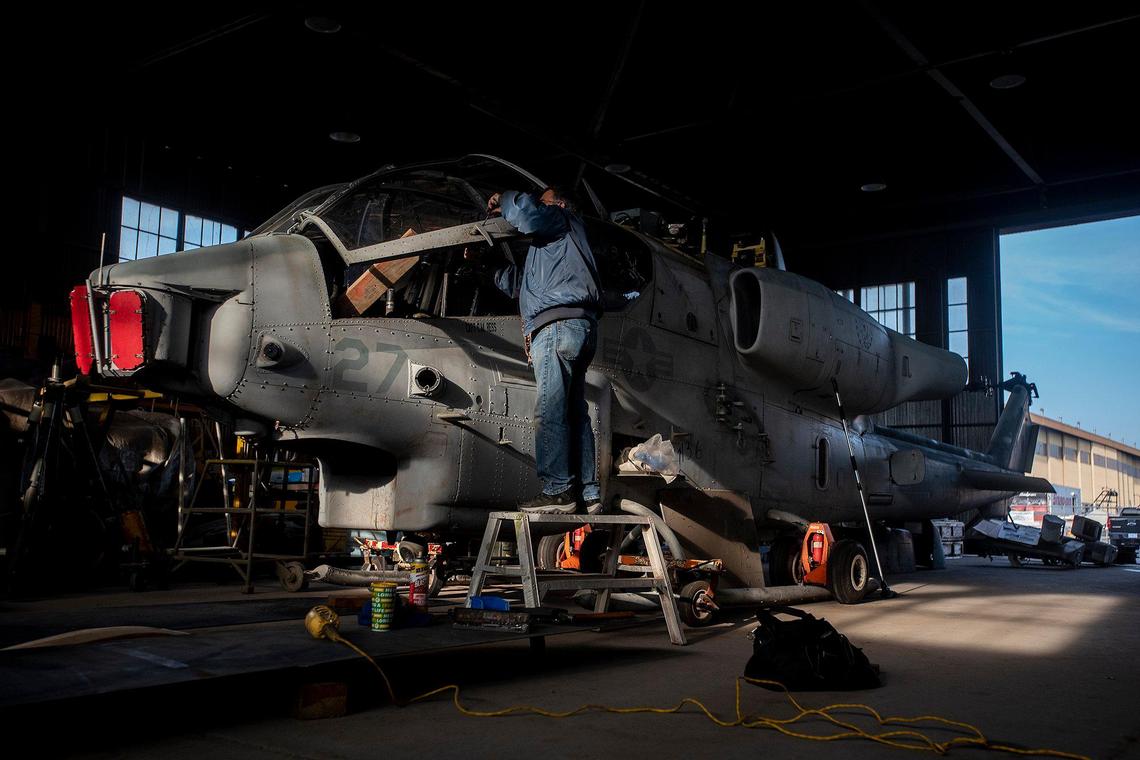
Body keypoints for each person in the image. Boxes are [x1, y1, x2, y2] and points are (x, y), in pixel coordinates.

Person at [485, 187, 602, 514]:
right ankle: (589, 492)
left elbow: (526, 214)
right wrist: (489, 263)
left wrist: (504, 197)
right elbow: (519, 286)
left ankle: (557, 490)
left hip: (557, 328)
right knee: (573, 411)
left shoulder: (561, 220)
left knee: (549, 410)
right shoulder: (556, 248)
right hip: (576, 326)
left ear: (560, 204)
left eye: (544, 200)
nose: (539, 204)